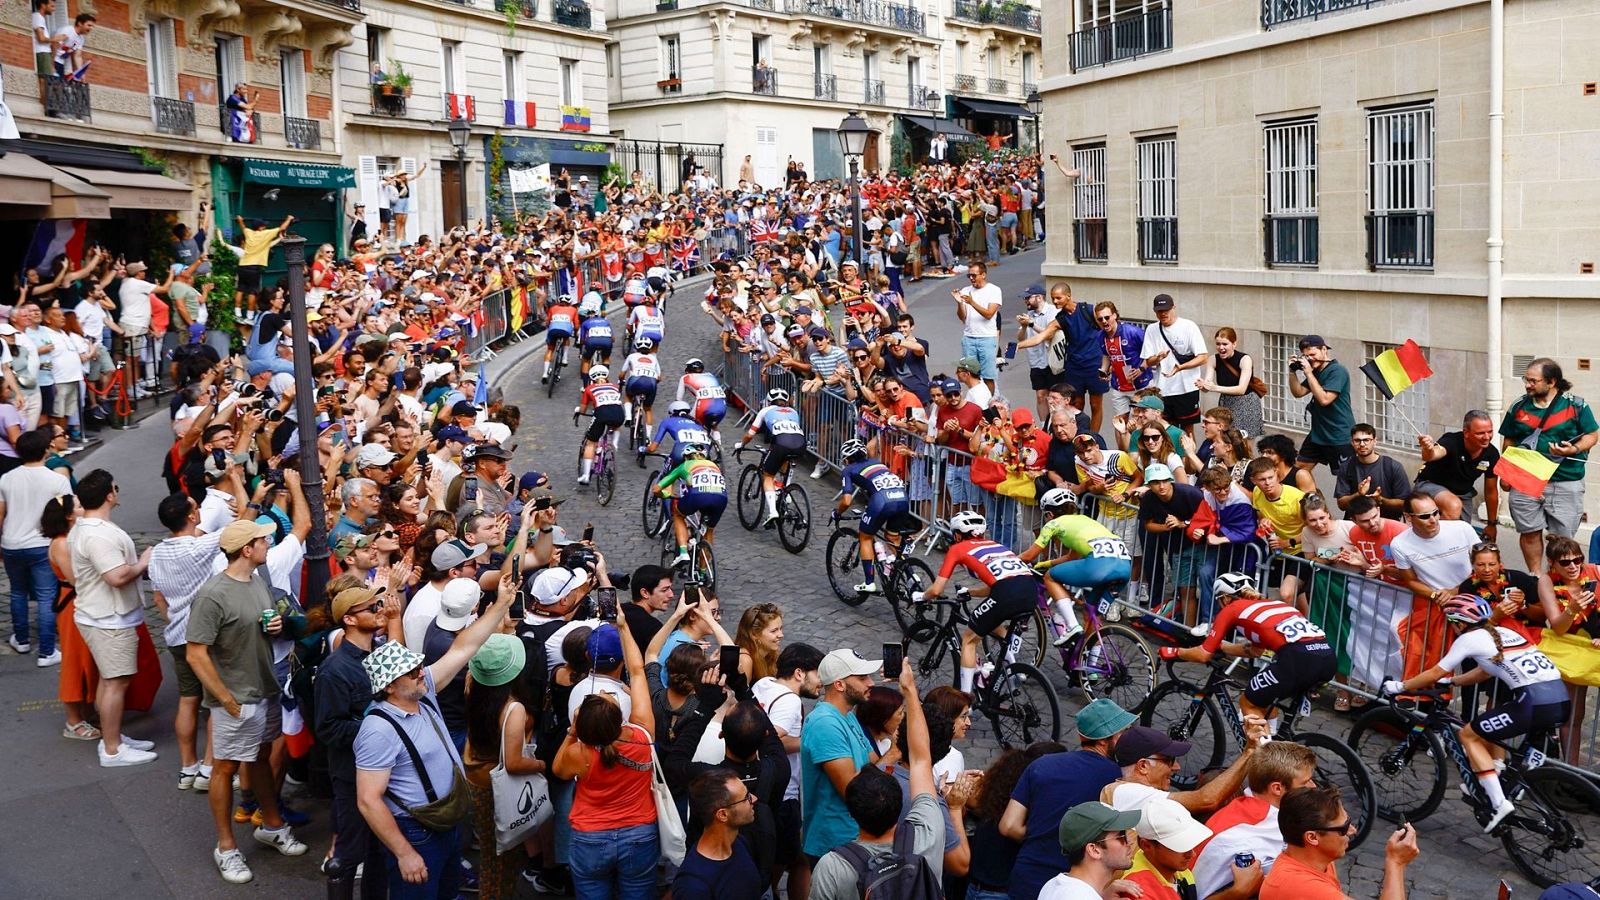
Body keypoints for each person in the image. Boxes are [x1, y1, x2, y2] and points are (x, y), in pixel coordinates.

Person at [354, 570, 515, 899]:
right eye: (410, 672)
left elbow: (463, 647)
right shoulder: (378, 729)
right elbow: (368, 801)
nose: (419, 672)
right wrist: (404, 853)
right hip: (417, 832)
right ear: (388, 687)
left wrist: (500, 605)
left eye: (417, 667)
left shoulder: (421, 690)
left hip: (447, 821)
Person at [185, 519, 310, 883]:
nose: (268, 543)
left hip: (263, 688)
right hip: (237, 697)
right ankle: (226, 847)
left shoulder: (256, 581)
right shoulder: (212, 594)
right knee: (225, 767)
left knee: (256, 756)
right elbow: (196, 654)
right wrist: (225, 699)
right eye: (262, 540)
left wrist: (270, 628)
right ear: (246, 549)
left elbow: (252, 625)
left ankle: (271, 825)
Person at [1381, 592, 1570, 831]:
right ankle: (1505, 782)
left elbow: (1434, 673)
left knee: (1469, 734)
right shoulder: (1505, 633)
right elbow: (1486, 670)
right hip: (1560, 701)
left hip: (1533, 703)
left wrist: (1400, 686)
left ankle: (1499, 803)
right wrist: (1454, 682)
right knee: (1495, 728)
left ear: (1459, 623)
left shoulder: (1468, 639)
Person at [810, 661, 946, 899]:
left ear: (852, 813)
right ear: (900, 806)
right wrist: (910, 691)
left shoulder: (832, 867)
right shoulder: (927, 834)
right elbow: (921, 759)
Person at [550, 608, 660, 900]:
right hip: (638, 833)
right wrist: (624, 628)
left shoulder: (579, 753)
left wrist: (572, 732)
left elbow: (559, 771)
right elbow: (637, 672)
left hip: (590, 837)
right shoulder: (642, 737)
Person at [316, 582, 403, 900]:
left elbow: (401, 670)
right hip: (352, 774)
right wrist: (377, 727)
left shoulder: (376, 653)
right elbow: (328, 729)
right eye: (371, 607)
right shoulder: (334, 670)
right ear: (349, 620)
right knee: (349, 854)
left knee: (380, 852)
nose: (379, 609)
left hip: (381, 770)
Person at [1164, 573, 1333, 735]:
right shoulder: (1273, 604)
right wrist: (1223, 647)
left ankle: (1264, 758)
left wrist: (1173, 652)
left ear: (1225, 598)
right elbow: (1254, 651)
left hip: (1298, 659)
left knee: (1248, 702)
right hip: (1327, 657)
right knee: (1267, 695)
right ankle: (1270, 740)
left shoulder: (1232, 608)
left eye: (1219, 601)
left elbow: (1203, 655)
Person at [999, 698, 1134, 899]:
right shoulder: (1114, 778)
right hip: (1077, 885)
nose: (1127, 738)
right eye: (1123, 733)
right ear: (1105, 740)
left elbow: (1008, 826)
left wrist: (1043, 833)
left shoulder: (1041, 765)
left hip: (1027, 878)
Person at [69, 468, 156, 766]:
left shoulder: (89, 528)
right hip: (109, 618)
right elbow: (117, 576)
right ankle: (112, 749)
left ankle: (113, 735)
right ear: (110, 495)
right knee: (116, 682)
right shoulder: (96, 535)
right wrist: (143, 562)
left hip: (105, 615)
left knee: (110, 681)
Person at [915, 510, 1039, 693]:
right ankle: (1014, 674)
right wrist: (971, 592)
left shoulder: (957, 548)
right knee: (994, 625)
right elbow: (997, 585)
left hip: (1006, 594)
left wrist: (920, 596)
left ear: (957, 534)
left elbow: (937, 590)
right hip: (1030, 591)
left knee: (969, 639)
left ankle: (966, 699)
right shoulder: (997, 545)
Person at [1499, 358, 1597, 570]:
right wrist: (1506, 475)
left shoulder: (1576, 405)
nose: (1527, 384)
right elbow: (1509, 440)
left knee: (1562, 539)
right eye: (1527, 379)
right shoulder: (1519, 406)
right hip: (1525, 480)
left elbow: (1592, 435)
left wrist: (1574, 449)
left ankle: (1558, 582)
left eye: (1533, 381)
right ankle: (1536, 577)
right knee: (1529, 532)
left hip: (1565, 480)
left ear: (1551, 382)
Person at [1191, 741, 1318, 900]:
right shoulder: (1273, 826)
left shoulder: (1245, 810)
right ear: (1277, 788)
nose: (1313, 787)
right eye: (1305, 782)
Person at [751, 641, 824, 898]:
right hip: (784, 795)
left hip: (763, 786)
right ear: (799, 673)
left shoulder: (764, 684)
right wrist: (812, 742)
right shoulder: (791, 702)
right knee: (784, 857)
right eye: (818, 674)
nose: (821, 683)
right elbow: (774, 740)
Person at [1259, 786, 1419, 900]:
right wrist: (1396, 863)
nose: (1352, 830)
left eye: (1349, 821)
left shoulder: (1318, 860)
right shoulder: (1302, 886)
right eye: (1343, 828)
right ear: (1313, 838)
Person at [1019, 489, 1132, 645]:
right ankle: (1091, 667)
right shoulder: (1084, 519)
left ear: (1050, 514)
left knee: (1050, 577)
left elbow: (1028, 556)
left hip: (1100, 566)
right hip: (1124, 568)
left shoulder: (1053, 523)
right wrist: (1045, 563)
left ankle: (1072, 626)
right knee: (1092, 617)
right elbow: (1073, 557)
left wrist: (1005, 559)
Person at [800, 648, 881, 863]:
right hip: (835, 845)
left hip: (853, 839)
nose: (871, 683)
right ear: (839, 684)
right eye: (862, 677)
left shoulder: (848, 715)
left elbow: (874, 764)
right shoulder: (825, 724)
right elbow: (853, 791)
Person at [2, 427, 71, 663]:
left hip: (12, 542)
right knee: (45, 596)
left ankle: (21, 640)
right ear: (45, 449)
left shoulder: (6, 479)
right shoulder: (57, 480)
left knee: (18, 592)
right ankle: (47, 650)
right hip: (43, 544)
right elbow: (67, 513)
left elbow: (0, 514)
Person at [833, 439, 917, 594]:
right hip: (902, 498)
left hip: (882, 502)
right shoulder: (879, 464)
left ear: (846, 459)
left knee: (865, 536)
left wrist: (838, 513)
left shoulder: (849, 469)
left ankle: (869, 582)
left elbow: (847, 500)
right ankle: (910, 576)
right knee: (893, 538)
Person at [674, 768, 764, 899]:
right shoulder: (693, 886)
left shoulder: (739, 843)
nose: (754, 799)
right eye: (746, 798)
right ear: (722, 814)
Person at [1038, 801, 1143, 900]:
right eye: (1121, 836)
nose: (1130, 842)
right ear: (1094, 850)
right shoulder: (1078, 896)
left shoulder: (1053, 885)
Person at [1414, 409, 1500, 529]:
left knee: (1463, 531)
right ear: (1466, 432)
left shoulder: (1492, 454)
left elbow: (1491, 491)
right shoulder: (1451, 440)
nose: (1486, 437)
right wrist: (1427, 448)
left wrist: (1492, 524)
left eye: (1490, 432)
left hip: (1463, 494)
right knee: (1453, 505)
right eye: (1480, 433)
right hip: (1430, 485)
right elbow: (1432, 455)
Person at [734, 387, 807, 527]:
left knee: (767, 476)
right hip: (799, 444)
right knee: (785, 460)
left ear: (768, 401)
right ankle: (784, 491)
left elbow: (750, 434)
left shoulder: (765, 411)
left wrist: (741, 444)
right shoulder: (793, 411)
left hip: (781, 443)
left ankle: (773, 511)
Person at [1287, 335, 1354, 478]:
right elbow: (1298, 392)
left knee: (1346, 477)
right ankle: (1311, 499)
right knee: (1299, 471)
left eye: (1313, 355)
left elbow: (1325, 399)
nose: (1310, 359)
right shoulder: (1316, 371)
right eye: (1306, 356)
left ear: (1324, 349)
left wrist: (1309, 373)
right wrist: (1292, 372)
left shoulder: (1337, 371)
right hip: (1318, 434)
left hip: (1338, 434)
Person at [1140, 294, 1208, 437]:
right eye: (1159, 311)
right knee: (1164, 430)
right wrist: (1158, 358)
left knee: (1187, 431)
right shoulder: (1152, 329)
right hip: (1163, 389)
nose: (1163, 314)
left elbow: (1203, 357)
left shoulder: (1188, 326)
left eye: (1166, 310)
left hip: (1186, 388)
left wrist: (1181, 368)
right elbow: (1148, 359)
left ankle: (1188, 459)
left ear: (1173, 308)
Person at [1124, 797, 1213, 900]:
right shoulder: (1137, 892)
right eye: (1179, 846)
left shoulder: (1178, 869)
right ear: (1146, 845)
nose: (1192, 854)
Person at [653, 441, 726, 567]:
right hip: (721, 497)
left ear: (686, 457)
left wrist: (665, 495)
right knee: (708, 532)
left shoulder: (684, 465)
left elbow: (656, 489)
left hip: (697, 496)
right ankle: (703, 573)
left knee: (678, 515)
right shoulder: (714, 465)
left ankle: (683, 552)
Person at [1195, 326, 1263, 440]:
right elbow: (1208, 385)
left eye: (1225, 344)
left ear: (1234, 344)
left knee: (1244, 442)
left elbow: (1241, 389)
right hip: (1226, 402)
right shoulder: (1213, 359)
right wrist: (1202, 385)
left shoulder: (1245, 359)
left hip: (1246, 403)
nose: (1221, 347)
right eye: (1218, 344)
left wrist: (1214, 388)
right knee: (1224, 438)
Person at [1333, 423, 1411, 519]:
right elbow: (1341, 504)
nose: (1362, 444)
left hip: (1386, 522)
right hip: (1356, 522)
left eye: (1366, 440)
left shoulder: (1392, 466)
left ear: (1375, 441)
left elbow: (1405, 504)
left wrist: (1380, 500)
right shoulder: (1346, 467)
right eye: (1357, 440)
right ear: (1352, 442)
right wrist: (1359, 494)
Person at [952, 261, 1002, 391]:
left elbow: (989, 314)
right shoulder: (966, 291)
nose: (971, 278)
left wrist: (972, 302)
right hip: (969, 338)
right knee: (971, 375)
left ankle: (988, 405)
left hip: (987, 338)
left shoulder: (994, 290)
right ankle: (976, 404)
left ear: (983, 275)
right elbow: (963, 317)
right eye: (969, 276)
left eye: (974, 275)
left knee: (988, 376)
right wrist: (959, 303)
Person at [573, 363, 624, 485]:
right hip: (618, 413)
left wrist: (577, 411)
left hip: (601, 413)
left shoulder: (589, 389)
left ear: (592, 378)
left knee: (591, 443)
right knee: (616, 424)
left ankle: (585, 476)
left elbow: (583, 409)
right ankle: (615, 444)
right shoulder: (614, 386)